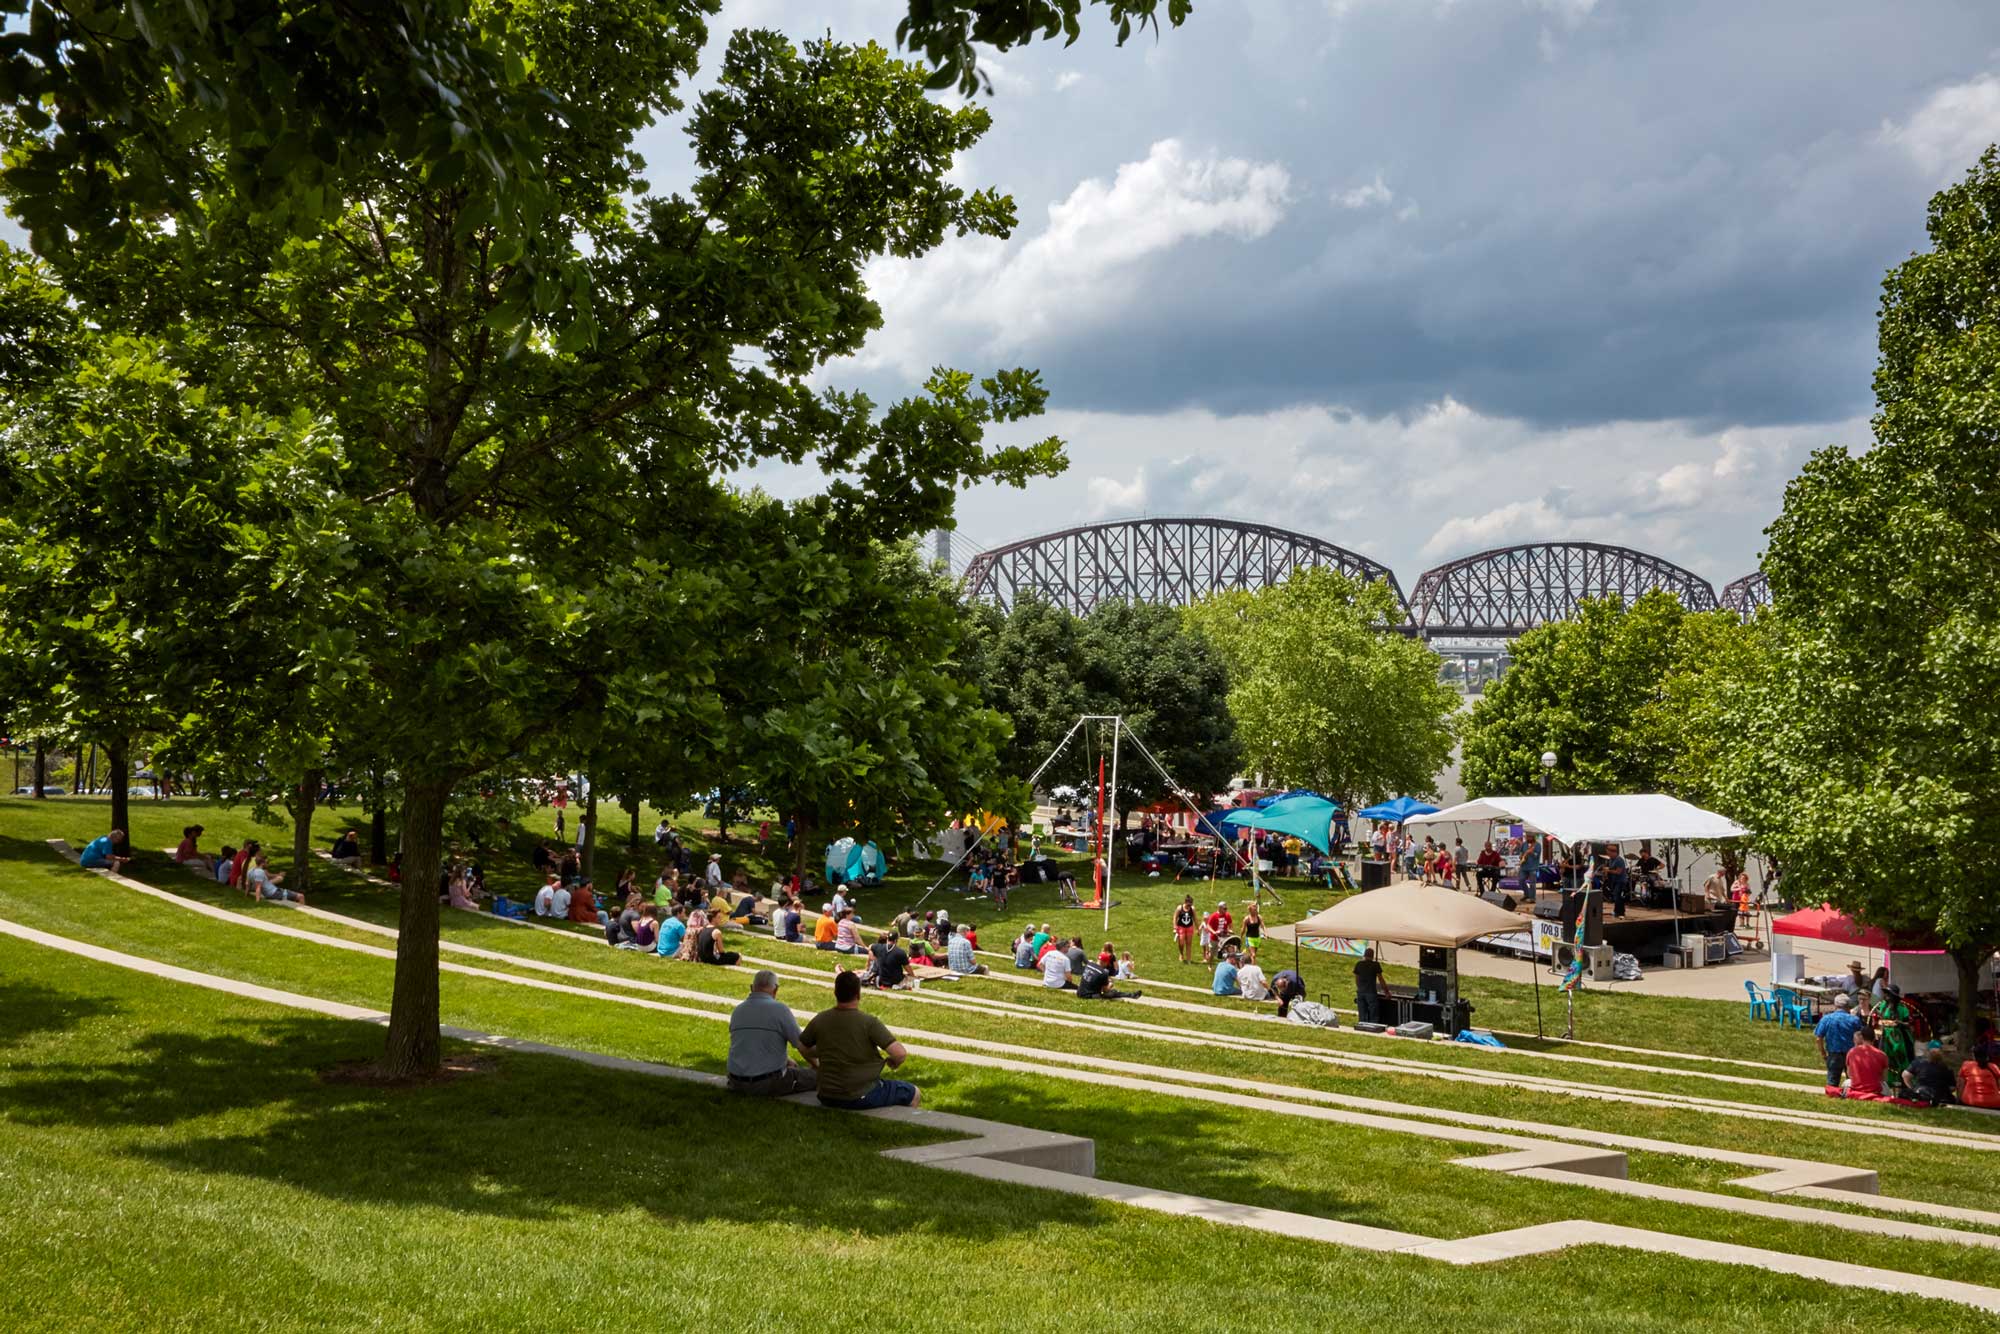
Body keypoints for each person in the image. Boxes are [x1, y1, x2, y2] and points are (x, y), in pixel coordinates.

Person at [801, 970, 919, 1110]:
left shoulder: (820, 1019)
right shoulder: (869, 1023)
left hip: (826, 1094)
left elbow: (802, 1047)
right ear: (858, 994)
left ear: (835, 993)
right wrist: (893, 1062)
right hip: (861, 1095)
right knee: (914, 1093)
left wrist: (823, 1053)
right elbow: (900, 1053)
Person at [727, 971, 817, 1095]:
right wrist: (816, 1066)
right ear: (775, 990)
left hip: (735, 1082)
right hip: (767, 1083)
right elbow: (802, 1046)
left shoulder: (737, 1011)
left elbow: (750, 1044)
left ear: (752, 988)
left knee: (790, 1068)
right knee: (819, 1077)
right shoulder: (780, 1010)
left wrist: (785, 1059)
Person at [1813, 993, 1863, 1089]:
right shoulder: (1855, 1020)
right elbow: (1860, 1038)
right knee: (1852, 1081)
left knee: (1832, 1081)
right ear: (1848, 1006)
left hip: (1833, 1053)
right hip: (1851, 1054)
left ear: (1835, 1005)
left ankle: (1832, 1096)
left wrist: (1823, 1053)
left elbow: (1819, 1038)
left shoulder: (1826, 1018)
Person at [1901, 1041, 1956, 1106]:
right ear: (1941, 1052)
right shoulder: (1946, 1066)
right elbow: (1952, 1087)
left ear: (1927, 1050)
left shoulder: (1918, 1062)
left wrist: (1912, 1088)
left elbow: (1905, 1075)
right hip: (1942, 1097)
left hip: (1921, 1094)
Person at [1843, 1026, 1888, 1099]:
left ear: (1862, 1038)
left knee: (1847, 1082)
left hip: (1856, 1088)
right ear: (1874, 1038)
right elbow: (1884, 1078)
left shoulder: (1851, 1052)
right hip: (1875, 1089)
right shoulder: (1882, 1055)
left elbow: (1849, 1074)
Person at [1353, 948, 1387, 1026]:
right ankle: (1373, 1027)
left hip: (1360, 992)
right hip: (1371, 992)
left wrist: (1359, 988)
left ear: (1364, 955)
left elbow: (1356, 979)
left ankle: (1362, 1027)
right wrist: (1386, 992)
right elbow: (1381, 979)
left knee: (1362, 1013)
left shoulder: (1359, 964)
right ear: (1372, 956)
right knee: (1373, 1013)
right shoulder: (1375, 965)